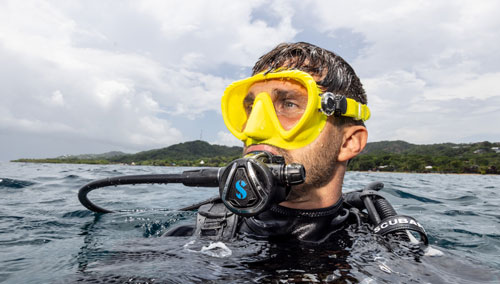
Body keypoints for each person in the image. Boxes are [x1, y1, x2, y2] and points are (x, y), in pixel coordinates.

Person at [166, 42, 426, 246]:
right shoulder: (192, 238)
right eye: (251, 108)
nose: (255, 128)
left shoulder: (391, 251)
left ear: (349, 142)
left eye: (289, 104)